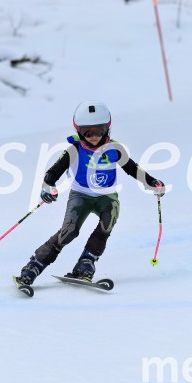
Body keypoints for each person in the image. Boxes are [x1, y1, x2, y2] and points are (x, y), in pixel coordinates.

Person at [17, 101, 166, 285]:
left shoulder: (115, 149)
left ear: (107, 128)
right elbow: (53, 172)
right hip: (81, 195)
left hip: (107, 196)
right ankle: (35, 264)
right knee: (69, 232)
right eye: (87, 132)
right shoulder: (75, 149)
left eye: (99, 131)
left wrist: (152, 182)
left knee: (107, 223)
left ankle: (86, 262)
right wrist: (48, 187)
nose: (94, 136)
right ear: (79, 131)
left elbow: (132, 168)